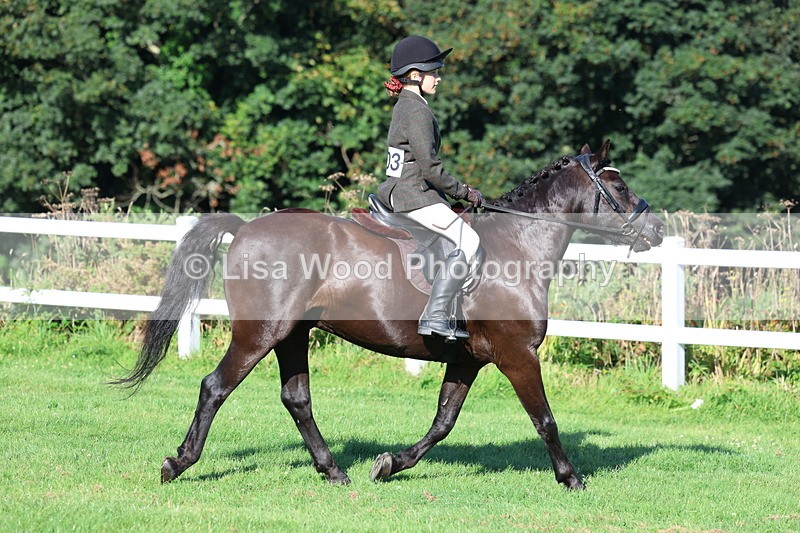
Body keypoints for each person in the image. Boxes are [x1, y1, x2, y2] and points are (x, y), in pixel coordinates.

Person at [377, 35, 484, 340]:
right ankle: (435, 315)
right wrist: (464, 192)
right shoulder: (417, 111)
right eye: (434, 72)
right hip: (413, 194)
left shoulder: (406, 106)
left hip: (401, 189)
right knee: (469, 240)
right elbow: (431, 169)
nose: (438, 78)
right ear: (415, 75)